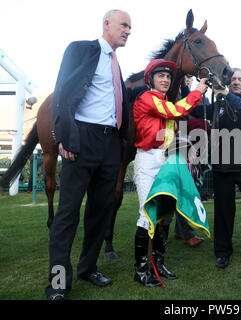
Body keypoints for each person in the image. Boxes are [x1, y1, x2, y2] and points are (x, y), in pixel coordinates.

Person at [46, 10, 147, 300]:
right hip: (81, 140)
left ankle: (87, 268)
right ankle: (57, 283)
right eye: (124, 25)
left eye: (130, 27)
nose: (128, 31)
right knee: (67, 214)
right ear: (107, 24)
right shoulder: (81, 49)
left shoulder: (116, 64)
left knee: (100, 211)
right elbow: (62, 92)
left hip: (110, 146)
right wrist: (64, 135)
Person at [132, 58, 208, 287]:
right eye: (160, 76)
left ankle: (158, 264)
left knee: (165, 215)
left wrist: (187, 148)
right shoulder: (146, 98)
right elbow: (175, 111)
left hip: (166, 162)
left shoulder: (163, 103)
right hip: (148, 161)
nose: (165, 80)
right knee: (147, 215)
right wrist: (197, 92)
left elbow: (169, 136)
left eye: (168, 77)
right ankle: (141, 270)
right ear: (151, 80)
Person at [190, 68, 241, 273]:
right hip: (223, 167)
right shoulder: (217, 105)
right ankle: (223, 253)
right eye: (233, 79)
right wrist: (196, 86)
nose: (236, 82)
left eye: (240, 79)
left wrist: (225, 94)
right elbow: (193, 109)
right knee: (224, 212)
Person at [173, 75, 206, 248]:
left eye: (189, 78)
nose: (187, 80)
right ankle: (187, 233)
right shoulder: (174, 94)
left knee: (186, 185)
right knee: (183, 187)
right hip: (177, 141)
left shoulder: (186, 94)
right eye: (185, 77)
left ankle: (180, 230)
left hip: (187, 142)